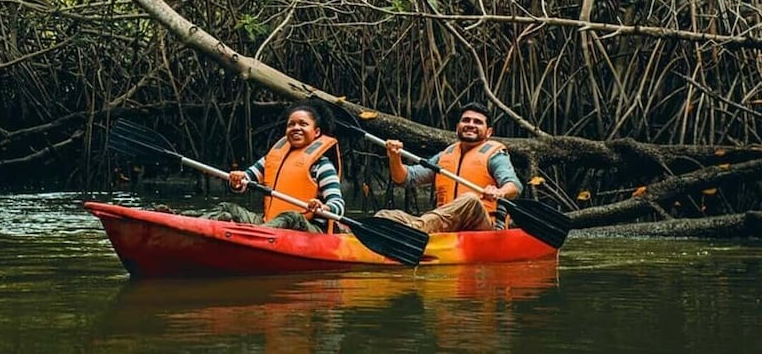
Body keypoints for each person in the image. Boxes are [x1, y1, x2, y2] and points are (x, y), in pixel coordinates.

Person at [375, 101, 522, 233]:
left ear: (489, 132)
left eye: (477, 122)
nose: (471, 124)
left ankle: (413, 231)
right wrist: (394, 156)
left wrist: (500, 192)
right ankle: (374, 233)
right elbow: (406, 178)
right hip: (445, 224)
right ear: (457, 127)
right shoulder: (445, 155)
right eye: (466, 120)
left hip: (483, 226)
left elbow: (514, 185)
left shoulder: (495, 155)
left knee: (471, 199)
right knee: (386, 216)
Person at [202, 100, 345, 233]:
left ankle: (257, 235)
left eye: (303, 124)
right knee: (228, 207)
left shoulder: (322, 165)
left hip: (309, 229)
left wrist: (323, 207)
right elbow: (245, 181)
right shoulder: (272, 159)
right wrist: (237, 180)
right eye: (291, 124)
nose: (296, 128)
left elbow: (338, 205)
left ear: (317, 132)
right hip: (271, 223)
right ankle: (191, 223)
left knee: (292, 217)